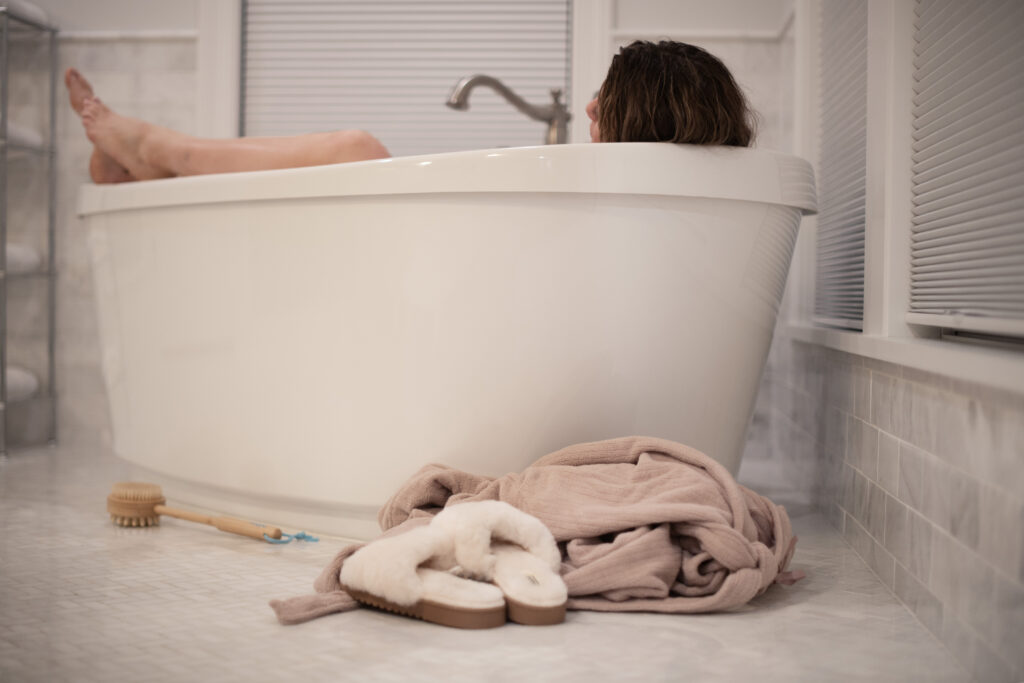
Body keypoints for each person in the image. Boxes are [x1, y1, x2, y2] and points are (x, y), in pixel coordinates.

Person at [67, 40, 754, 185]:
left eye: (608, 99)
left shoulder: (618, 195)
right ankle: (158, 159)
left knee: (355, 152)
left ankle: (167, 155)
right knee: (355, 152)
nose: (587, 105)